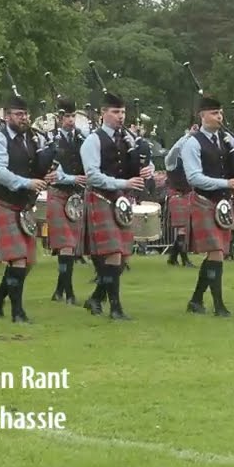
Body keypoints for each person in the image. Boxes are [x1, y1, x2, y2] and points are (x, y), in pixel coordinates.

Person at [0, 95, 55, 323]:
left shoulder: (31, 138)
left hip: (23, 206)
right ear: (6, 116)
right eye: (18, 114)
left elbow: (36, 168)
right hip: (1, 203)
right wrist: (26, 183)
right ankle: (17, 312)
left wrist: (51, 176)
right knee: (18, 258)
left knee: (28, 261)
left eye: (25, 114)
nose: (24, 118)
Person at [79, 92, 148, 320]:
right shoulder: (93, 140)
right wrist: (124, 183)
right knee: (114, 254)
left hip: (121, 202)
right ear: (103, 113)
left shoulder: (126, 140)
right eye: (116, 112)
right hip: (101, 198)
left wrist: (143, 171)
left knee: (123, 255)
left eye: (123, 112)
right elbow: (92, 176)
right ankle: (116, 308)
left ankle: (96, 298)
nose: (121, 116)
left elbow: (130, 170)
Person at [179, 96, 234, 317]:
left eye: (220, 113)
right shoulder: (192, 143)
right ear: (202, 115)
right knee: (216, 252)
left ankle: (196, 300)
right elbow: (194, 177)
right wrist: (226, 183)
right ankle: (219, 305)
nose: (219, 117)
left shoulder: (225, 141)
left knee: (216, 253)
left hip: (222, 204)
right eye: (214, 113)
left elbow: (231, 171)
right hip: (203, 201)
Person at [46, 99, 90, 304]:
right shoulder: (50, 139)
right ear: (58, 117)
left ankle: (59, 291)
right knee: (65, 244)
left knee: (71, 246)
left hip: (75, 197)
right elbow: (52, 172)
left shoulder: (83, 138)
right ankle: (69, 292)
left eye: (73, 116)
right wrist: (74, 178)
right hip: (57, 193)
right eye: (66, 116)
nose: (70, 120)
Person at [163, 127, 197, 267]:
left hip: (188, 195)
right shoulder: (171, 161)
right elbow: (175, 149)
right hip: (177, 195)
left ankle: (172, 258)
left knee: (185, 229)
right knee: (182, 229)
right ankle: (185, 260)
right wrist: (188, 136)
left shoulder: (191, 161)